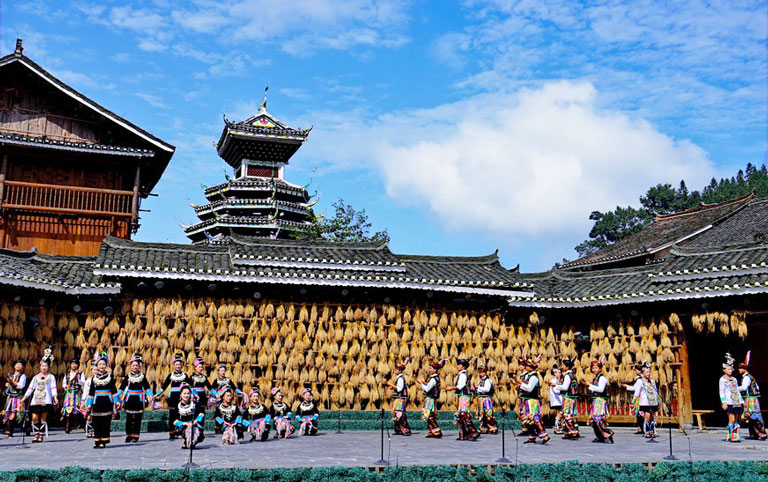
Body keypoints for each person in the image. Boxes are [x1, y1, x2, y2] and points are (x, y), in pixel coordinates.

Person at [22, 347, 57, 443]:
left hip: (46, 399)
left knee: (42, 418)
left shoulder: (51, 377)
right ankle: (35, 434)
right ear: (40, 367)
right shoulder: (35, 377)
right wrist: (24, 398)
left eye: (46, 366)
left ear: (48, 367)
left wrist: (55, 397)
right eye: (42, 366)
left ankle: (40, 435)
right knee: (34, 418)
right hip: (36, 399)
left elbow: (53, 388)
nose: (44, 368)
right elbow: (30, 388)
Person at [514, 351, 549, 444]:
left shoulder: (534, 377)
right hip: (527, 401)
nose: (525, 367)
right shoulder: (528, 376)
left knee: (535, 419)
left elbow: (529, 388)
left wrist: (521, 383)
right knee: (528, 419)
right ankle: (531, 437)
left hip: (532, 401)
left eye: (527, 366)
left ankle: (544, 436)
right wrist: (519, 386)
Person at [85, 351, 118, 448]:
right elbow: (91, 393)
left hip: (107, 402)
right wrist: (88, 403)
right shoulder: (93, 379)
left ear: (106, 365)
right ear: (97, 365)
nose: (102, 366)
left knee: (105, 422)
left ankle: (103, 441)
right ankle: (97, 440)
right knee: (97, 422)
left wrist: (117, 401)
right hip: (97, 402)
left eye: (103, 364)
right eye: (100, 364)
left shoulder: (110, 377)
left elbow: (114, 390)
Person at [118, 354, 153, 443]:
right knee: (129, 418)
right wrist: (117, 396)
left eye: (137, 365)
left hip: (139, 400)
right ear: (131, 366)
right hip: (129, 400)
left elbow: (147, 387)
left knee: (137, 419)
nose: (135, 367)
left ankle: (136, 435)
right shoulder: (128, 377)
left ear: (139, 367)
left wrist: (150, 396)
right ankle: (129, 435)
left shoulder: (142, 377)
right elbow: (122, 387)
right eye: (133, 365)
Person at [444, 358, 480, 441]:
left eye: (459, 365)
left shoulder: (463, 375)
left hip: (464, 396)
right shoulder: (462, 374)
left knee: (463, 414)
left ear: (463, 367)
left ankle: (473, 432)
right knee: (461, 415)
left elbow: (461, 386)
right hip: (462, 396)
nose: (458, 366)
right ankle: (464, 435)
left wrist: (451, 388)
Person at [582, 356, 614, 444]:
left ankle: (607, 434)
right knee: (594, 420)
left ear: (600, 369)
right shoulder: (596, 378)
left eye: (596, 368)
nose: (594, 369)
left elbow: (600, 389)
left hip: (600, 401)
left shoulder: (602, 378)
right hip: (596, 400)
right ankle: (600, 436)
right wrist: (587, 384)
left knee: (598, 419)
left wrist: (589, 385)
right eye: (593, 368)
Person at [158, 353, 190, 439]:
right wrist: (156, 395)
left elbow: (189, 387)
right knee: (173, 415)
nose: (178, 366)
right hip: (173, 398)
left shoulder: (185, 375)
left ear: (182, 365)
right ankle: (172, 432)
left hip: (182, 398)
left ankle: (181, 430)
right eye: (176, 364)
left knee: (182, 414)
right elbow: (164, 386)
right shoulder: (170, 375)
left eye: (179, 364)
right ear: (174, 365)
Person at [738, 351, 767, 440]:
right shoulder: (751, 377)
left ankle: (760, 433)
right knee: (751, 417)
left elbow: (744, 387)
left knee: (753, 416)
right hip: (753, 398)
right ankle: (755, 434)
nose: (739, 370)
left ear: (744, 369)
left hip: (750, 400)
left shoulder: (747, 378)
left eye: (740, 368)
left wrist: (734, 388)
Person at [719, 352, 744, 443]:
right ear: (724, 370)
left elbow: (737, 390)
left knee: (737, 419)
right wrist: (723, 401)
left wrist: (741, 400)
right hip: (729, 401)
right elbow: (721, 391)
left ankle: (736, 434)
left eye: (731, 369)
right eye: (728, 369)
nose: (730, 371)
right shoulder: (722, 380)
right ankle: (730, 434)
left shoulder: (734, 379)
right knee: (732, 418)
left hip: (736, 400)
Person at [211, 363, 243, 433]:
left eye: (224, 371)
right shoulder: (216, 380)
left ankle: (231, 423)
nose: (223, 372)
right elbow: (212, 389)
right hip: (220, 397)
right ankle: (218, 425)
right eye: (221, 371)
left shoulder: (228, 380)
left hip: (228, 396)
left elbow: (234, 388)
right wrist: (216, 394)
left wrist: (240, 392)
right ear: (218, 372)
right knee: (219, 411)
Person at [417, 359, 444, 439]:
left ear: (435, 370)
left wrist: (421, 383)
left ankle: (437, 432)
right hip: (432, 399)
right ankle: (432, 432)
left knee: (430, 416)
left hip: (430, 399)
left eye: (431, 368)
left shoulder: (433, 379)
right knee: (430, 415)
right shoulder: (435, 378)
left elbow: (427, 389)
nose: (429, 370)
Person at [633, 361, 660, 439]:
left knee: (652, 417)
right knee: (647, 416)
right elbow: (637, 392)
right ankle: (647, 431)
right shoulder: (640, 381)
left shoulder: (652, 381)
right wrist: (633, 402)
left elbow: (655, 391)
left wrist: (657, 400)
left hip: (653, 401)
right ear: (643, 373)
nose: (648, 373)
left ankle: (652, 431)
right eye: (646, 372)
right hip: (645, 402)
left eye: (649, 372)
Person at [386, 358, 411, 435]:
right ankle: (399, 430)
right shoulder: (399, 378)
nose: (395, 371)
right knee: (397, 413)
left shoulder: (400, 379)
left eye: (396, 370)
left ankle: (405, 429)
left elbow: (399, 389)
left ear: (400, 371)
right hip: (398, 398)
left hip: (400, 399)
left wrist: (391, 385)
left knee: (400, 414)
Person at [556, 358, 580, 439]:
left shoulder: (567, 376)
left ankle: (572, 431)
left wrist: (555, 385)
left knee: (566, 415)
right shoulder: (573, 375)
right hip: (572, 397)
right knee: (569, 415)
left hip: (568, 398)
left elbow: (565, 387)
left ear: (567, 366)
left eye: (563, 365)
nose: (562, 366)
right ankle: (571, 431)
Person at [174, 384, 204, 450]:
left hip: (194, 424)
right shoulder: (177, 406)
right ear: (180, 395)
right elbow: (174, 420)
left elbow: (201, 413)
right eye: (184, 393)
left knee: (197, 433)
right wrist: (186, 424)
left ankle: (192, 442)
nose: (186, 395)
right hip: (184, 425)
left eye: (188, 393)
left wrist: (195, 421)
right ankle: (186, 441)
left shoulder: (194, 404)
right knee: (188, 430)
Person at [2, 359, 27, 437]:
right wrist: (8, 384)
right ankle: (9, 430)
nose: (18, 366)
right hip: (11, 397)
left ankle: (26, 428)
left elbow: (21, 385)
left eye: (20, 365)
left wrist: (12, 381)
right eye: (17, 364)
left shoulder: (23, 376)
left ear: (23, 367)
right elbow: (10, 386)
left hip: (18, 398)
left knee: (19, 413)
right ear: (14, 366)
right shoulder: (12, 376)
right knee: (9, 412)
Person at [61, 358, 85, 433]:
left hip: (77, 393)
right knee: (68, 410)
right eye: (73, 364)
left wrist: (78, 381)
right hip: (69, 394)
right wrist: (66, 387)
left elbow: (84, 383)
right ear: (70, 365)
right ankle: (67, 426)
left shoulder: (80, 373)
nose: (74, 366)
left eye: (76, 364)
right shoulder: (67, 374)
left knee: (78, 410)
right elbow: (64, 384)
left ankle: (83, 425)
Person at [474, 363, 498, 434]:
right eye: (480, 372)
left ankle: (492, 426)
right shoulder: (480, 381)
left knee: (488, 413)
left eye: (483, 372)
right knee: (482, 414)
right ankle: (483, 427)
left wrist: (478, 388)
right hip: (480, 399)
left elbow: (486, 389)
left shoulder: (488, 380)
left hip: (486, 399)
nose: (481, 374)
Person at [623, 364, 644, 435]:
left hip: (640, 400)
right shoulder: (641, 379)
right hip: (642, 399)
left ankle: (642, 429)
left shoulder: (640, 380)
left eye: (636, 370)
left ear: (640, 371)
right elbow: (635, 388)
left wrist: (633, 402)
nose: (634, 371)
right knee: (640, 414)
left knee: (640, 414)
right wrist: (627, 386)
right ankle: (641, 428)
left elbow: (637, 391)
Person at [81, 362, 97, 438]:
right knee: (89, 415)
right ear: (91, 371)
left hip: (98, 400)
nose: (95, 371)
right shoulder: (88, 381)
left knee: (96, 416)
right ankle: (90, 430)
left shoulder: (102, 380)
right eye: (94, 370)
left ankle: (95, 430)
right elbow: (85, 391)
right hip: (90, 400)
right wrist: (83, 401)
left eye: (97, 370)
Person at [549, 367, 564, 434]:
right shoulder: (553, 381)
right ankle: (557, 427)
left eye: (560, 373)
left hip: (559, 399)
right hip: (557, 399)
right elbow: (556, 391)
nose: (560, 374)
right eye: (558, 373)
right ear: (554, 373)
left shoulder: (558, 381)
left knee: (559, 413)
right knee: (559, 413)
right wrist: (563, 390)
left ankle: (560, 426)